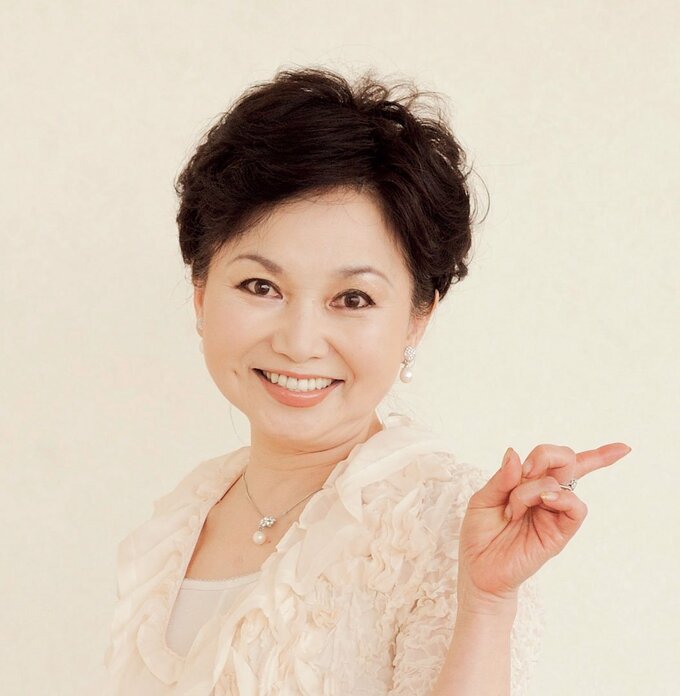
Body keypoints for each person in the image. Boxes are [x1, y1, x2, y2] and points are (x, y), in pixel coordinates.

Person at [103, 66, 631, 695]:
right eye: (260, 286)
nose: (299, 341)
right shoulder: (182, 516)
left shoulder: (450, 525)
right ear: (200, 294)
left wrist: (487, 606)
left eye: (352, 299)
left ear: (417, 318)